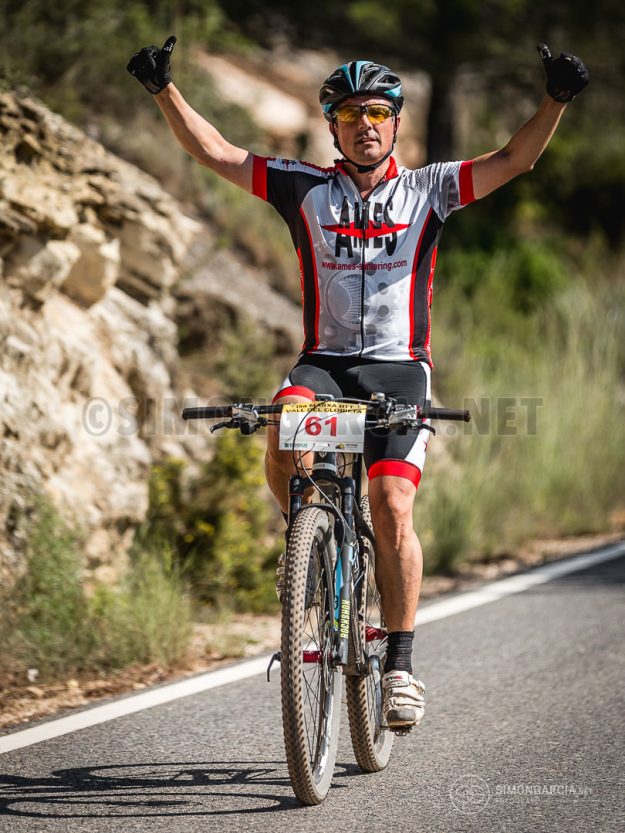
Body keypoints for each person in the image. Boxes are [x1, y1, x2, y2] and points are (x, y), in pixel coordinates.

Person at [127, 39, 589, 732]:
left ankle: (398, 667)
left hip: (399, 366)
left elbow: (512, 161)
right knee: (283, 427)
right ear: (332, 126)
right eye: (349, 115)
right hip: (324, 361)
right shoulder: (302, 188)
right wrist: (164, 90)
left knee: (392, 502)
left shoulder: (428, 189)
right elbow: (216, 153)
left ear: (395, 123)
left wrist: (552, 101)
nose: (364, 124)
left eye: (377, 112)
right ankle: (311, 542)